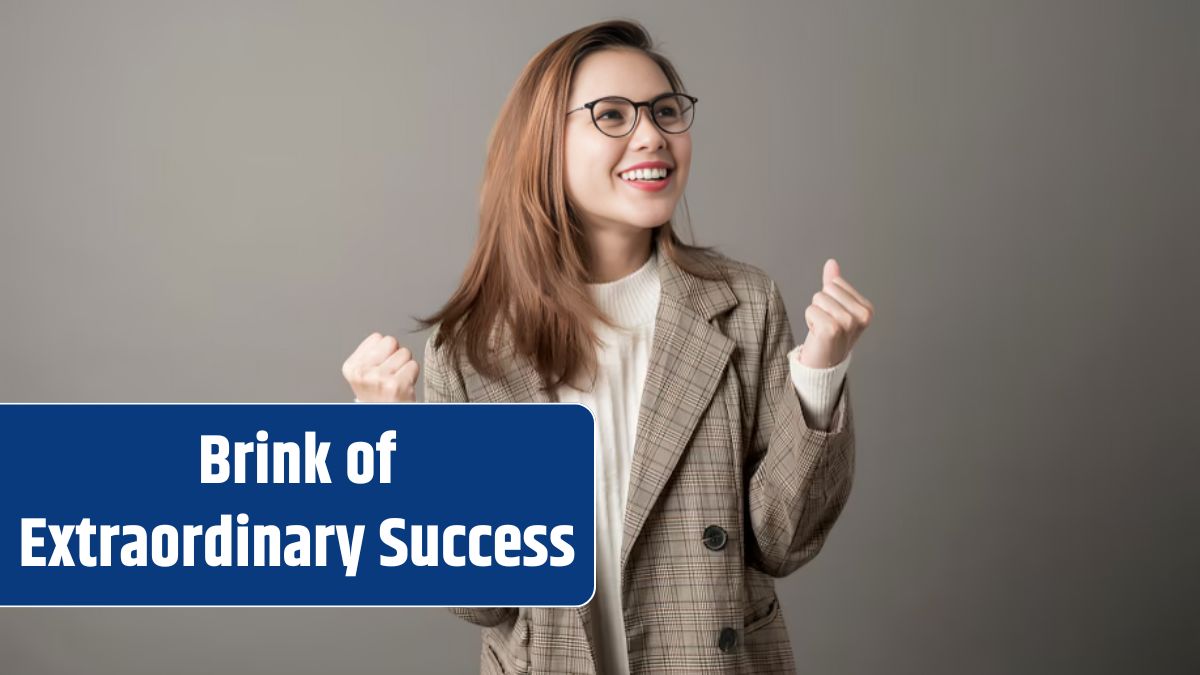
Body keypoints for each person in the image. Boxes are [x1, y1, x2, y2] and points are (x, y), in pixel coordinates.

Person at [342, 19, 872, 675]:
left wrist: (820, 374)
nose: (652, 134)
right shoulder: (472, 346)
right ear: (545, 144)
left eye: (666, 112)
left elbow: (781, 540)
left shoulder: (744, 305)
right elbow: (480, 596)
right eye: (612, 115)